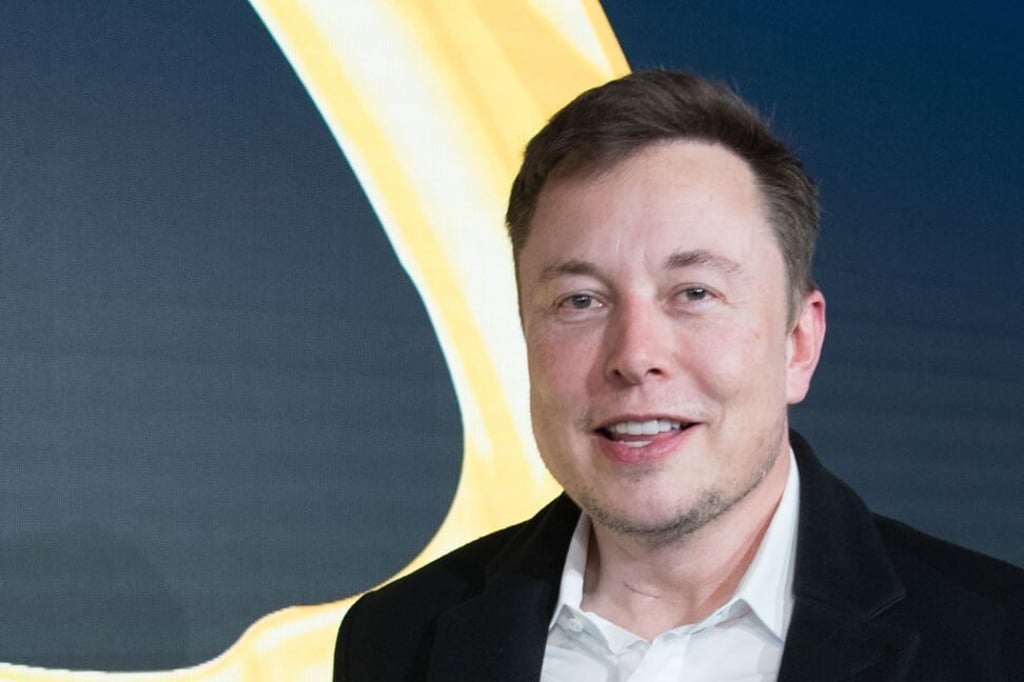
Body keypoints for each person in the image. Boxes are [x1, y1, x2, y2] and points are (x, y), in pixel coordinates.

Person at [333, 70, 1024, 681]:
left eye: (693, 292)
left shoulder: (997, 642)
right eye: (580, 301)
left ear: (799, 343)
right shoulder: (398, 640)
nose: (634, 355)